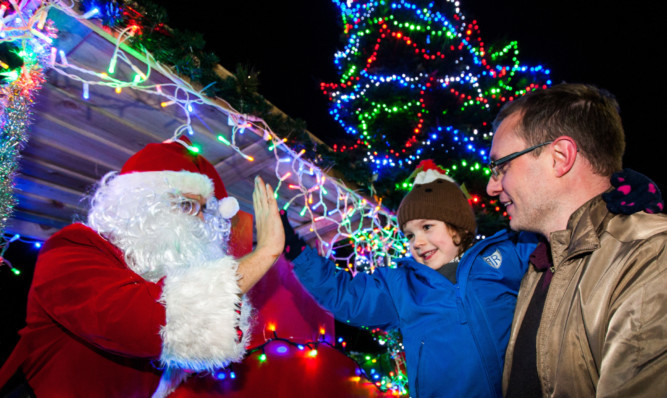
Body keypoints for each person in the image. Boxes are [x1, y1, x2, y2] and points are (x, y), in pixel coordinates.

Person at [0, 137, 284, 397]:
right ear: (138, 206)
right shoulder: (72, 249)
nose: (199, 222)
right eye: (187, 206)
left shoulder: (160, 278)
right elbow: (150, 320)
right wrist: (265, 253)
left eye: (203, 210)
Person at [283, 159, 539, 398]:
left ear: (458, 226)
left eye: (427, 227)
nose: (418, 242)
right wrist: (296, 251)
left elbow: (554, 241)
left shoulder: (502, 256)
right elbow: (345, 296)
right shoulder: (402, 286)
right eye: (409, 235)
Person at [485, 83, 667, 397]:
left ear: (560, 156)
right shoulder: (543, 263)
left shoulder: (650, 257)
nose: (491, 187)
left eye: (501, 166)